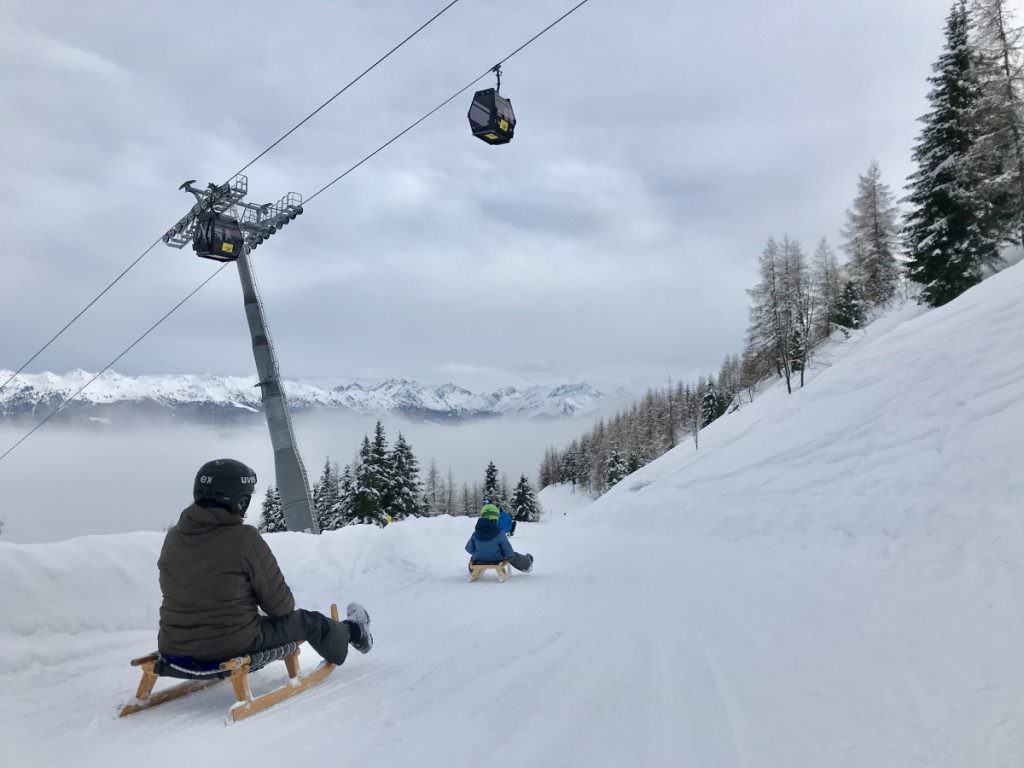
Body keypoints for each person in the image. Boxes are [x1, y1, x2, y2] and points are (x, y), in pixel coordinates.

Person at [158, 458, 373, 665]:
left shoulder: (174, 537)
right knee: (308, 621)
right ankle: (355, 632)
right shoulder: (244, 539)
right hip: (230, 645)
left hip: (173, 644)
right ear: (239, 500)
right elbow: (282, 607)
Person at [466, 500, 533, 573]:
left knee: (473, 558)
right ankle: (527, 564)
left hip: (478, 559)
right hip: (497, 559)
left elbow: (470, 550)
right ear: (496, 517)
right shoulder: (500, 533)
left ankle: (472, 569)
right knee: (512, 555)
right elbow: (508, 552)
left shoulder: (475, 534)